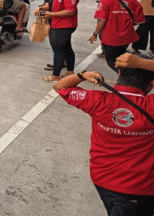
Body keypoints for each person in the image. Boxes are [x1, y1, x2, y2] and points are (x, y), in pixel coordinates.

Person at [53, 62, 154, 216]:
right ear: (151, 84)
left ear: (119, 74)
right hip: (139, 187)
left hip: (102, 179)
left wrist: (82, 75)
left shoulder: (98, 100)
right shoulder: (150, 105)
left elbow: (60, 86)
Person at [89, 0, 145, 71]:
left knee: (111, 60)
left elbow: (102, 20)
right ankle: (124, 74)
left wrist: (95, 34)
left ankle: (124, 75)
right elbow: (137, 21)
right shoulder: (134, 2)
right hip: (126, 38)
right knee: (120, 57)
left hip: (111, 38)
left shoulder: (105, 1)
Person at [39, 0, 79, 82]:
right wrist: (42, 8)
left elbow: (70, 11)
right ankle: (70, 71)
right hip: (58, 23)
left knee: (58, 50)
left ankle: (55, 75)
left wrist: (52, 14)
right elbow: (52, 3)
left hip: (63, 25)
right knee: (66, 47)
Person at [40, 0, 65, 73]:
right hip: (51, 13)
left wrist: (45, 9)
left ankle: (57, 62)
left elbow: (53, 2)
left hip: (54, 14)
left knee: (55, 40)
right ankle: (63, 60)